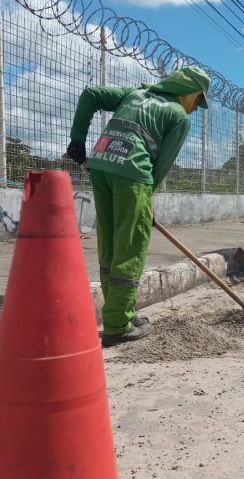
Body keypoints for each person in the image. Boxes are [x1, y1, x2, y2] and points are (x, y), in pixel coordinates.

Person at [67, 65, 211, 346]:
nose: (195, 108)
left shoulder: (135, 93)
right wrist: (148, 198)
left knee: (110, 244)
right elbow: (162, 165)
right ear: (189, 92)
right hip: (133, 175)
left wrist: (77, 139)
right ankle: (118, 325)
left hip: (101, 165)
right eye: (198, 100)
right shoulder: (178, 116)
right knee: (130, 247)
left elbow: (91, 94)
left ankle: (123, 313)